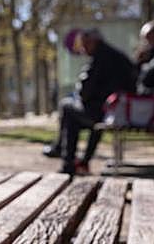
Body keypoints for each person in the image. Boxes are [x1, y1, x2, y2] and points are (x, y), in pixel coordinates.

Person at [43, 28, 135, 175]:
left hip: (109, 110)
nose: (83, 49)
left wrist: (81, 92)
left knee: (66, 106)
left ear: (93, 42)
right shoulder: (116, 55)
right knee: (74, 117)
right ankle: (80, 162)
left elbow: (86, 92)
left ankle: (64, 155)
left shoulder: (101, 58)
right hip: (118, 108)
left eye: (85, 44)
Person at [102, 21, 154, 129]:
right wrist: (140, 62)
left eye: (146, 37)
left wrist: (139, 64)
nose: (143, 42)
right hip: (150, 102)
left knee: (119, 100)